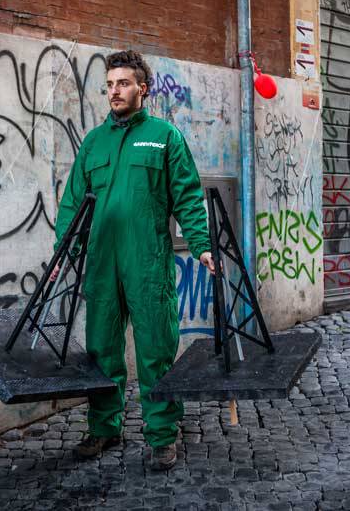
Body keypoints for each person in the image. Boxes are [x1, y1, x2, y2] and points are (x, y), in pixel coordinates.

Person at [52, 50, 215, 470]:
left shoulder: (164, 137)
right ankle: (104, 428)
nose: (114, 92)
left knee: (155, 349)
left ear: (143, 88)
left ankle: (162, 433)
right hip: (103, 262)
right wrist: (63, 253)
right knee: (101, 350)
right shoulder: (94, 142)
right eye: (109, 85)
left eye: (122, 84)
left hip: (147, 262)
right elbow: (72, 205)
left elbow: (188, 196)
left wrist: (201, 244)